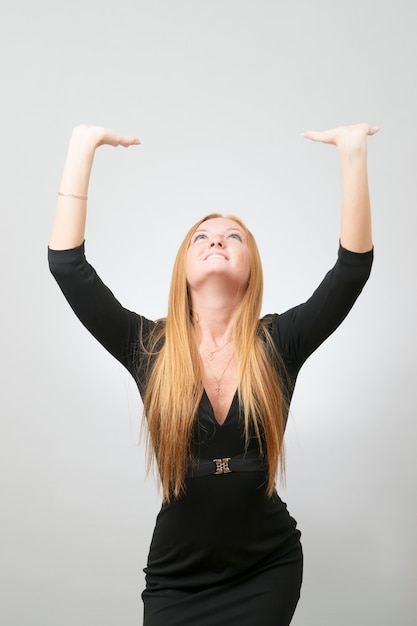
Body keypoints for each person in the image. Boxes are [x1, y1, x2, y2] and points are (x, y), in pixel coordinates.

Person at [48, 123, 377, 625]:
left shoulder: (278, 343)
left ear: (251, 269)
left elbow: (351, 270)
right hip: (178, 579)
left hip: (266, 567)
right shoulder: (150, 349)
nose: (216, 240)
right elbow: (68, 268)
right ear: (183, 267)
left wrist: (353, 154)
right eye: (201, 236)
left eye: (232, 237)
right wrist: (81, 146)